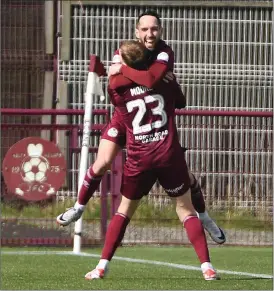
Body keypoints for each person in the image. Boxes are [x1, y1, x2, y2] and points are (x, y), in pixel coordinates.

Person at [57, 10, 225, 245]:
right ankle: (78, 207)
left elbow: (150, 81)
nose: (150, 34)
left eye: (154, 29)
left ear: (161, 31)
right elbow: (117, 83)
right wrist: (142, 75)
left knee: (185, 177)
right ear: (137, 32)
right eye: (144, 29)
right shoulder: (125, 50)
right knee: (102, 162)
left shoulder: (165, 52)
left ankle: (205, 217)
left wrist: (128, 72)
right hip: (125, 118)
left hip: (152, 122)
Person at [84, 40, 219, 281]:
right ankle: (207, 267)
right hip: (168, 154)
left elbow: (118, 90)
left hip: (140, 158)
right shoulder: (165, 83)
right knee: (185, 210)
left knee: (124, 210)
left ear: (126, 64)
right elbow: (180, 101)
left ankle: (102, 266)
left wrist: (119, 70)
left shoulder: (117, 87)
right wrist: (167, 79)